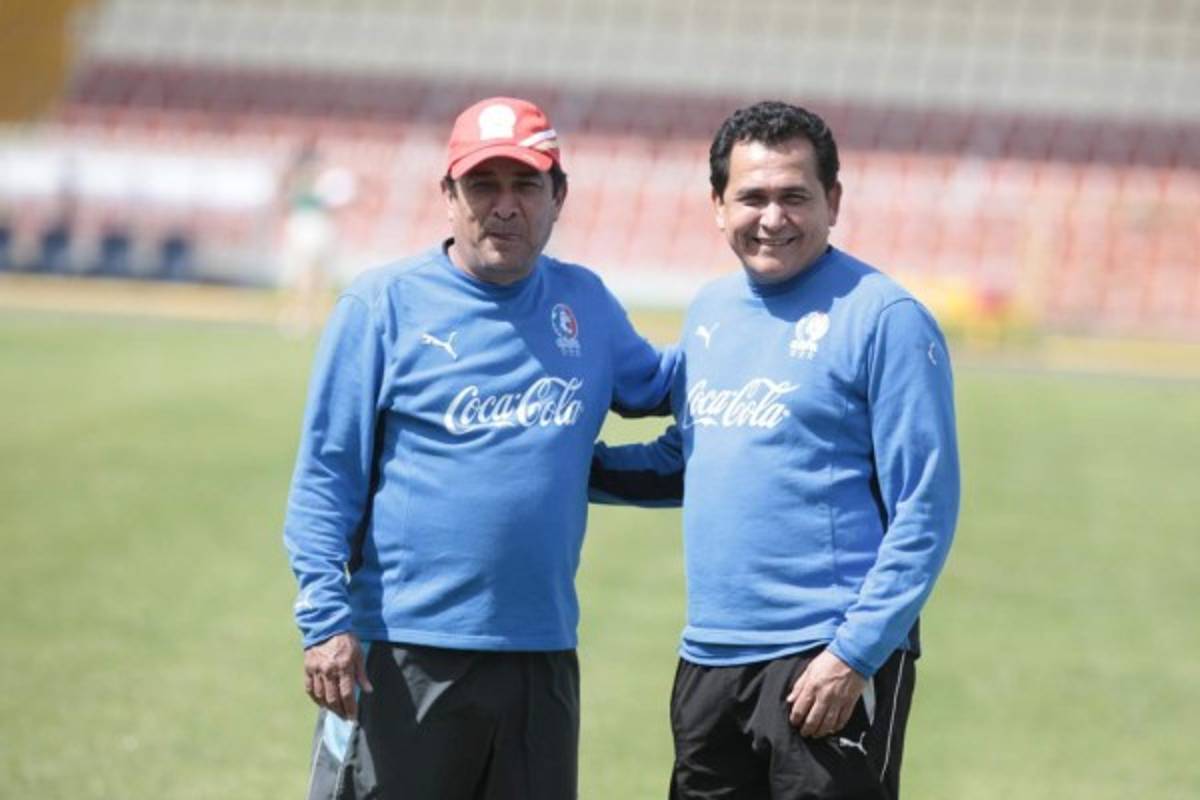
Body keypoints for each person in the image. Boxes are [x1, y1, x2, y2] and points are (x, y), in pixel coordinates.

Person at [282, 96, 675, 800]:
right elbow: (324, 481)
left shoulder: (586, 303)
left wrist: (756, 352)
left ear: (558, 195)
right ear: (448, 196)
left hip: (541, 657)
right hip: (402, 653)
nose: (504, 206)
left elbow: (665, 388)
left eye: (525, 185)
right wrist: (324, 623)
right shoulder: (382, 306)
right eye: (482, 186)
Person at [590, 101, 960, 799]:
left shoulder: (886, 319)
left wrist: (854, 653)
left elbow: (926, 508)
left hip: (827, 656)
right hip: (709, 658)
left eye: (795, 196)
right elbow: (687, 459)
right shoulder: (710, 312)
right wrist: (556, 466)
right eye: (752, 196)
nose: (772, 217)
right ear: (716, 205)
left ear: (834, 201)